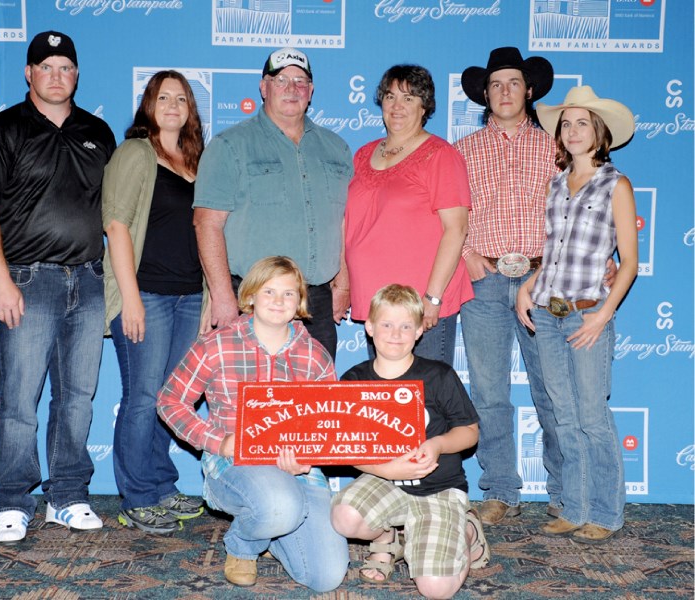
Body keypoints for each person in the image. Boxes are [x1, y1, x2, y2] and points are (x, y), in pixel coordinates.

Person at [0, 31, 116, 543]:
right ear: (28, 73)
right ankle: (12, 498)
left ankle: (67, 495)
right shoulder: (0, 131)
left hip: (89, 282)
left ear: (76, 75)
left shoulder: (98, 132)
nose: (56, 75)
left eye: (65, 67)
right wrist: (0, 280)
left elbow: (114, 217)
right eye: (45, 66)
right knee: (20, 398)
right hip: (27, 280)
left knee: (77, 397)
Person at [156, 256, 349, 591]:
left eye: (289, 294)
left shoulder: (315, 355)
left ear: (300, 301)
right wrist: (219, 441)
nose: (278, 301)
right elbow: (170, 401)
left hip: (298, 472)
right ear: (250, 296)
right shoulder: (216, 345)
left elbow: (326, 424)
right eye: (269, 291)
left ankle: (269, 528)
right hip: (235, 465)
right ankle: (244, 545)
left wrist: (309, 456)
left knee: (326, 577)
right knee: (280, 505)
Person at [517, 85, 637, 544]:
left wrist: (603, 316)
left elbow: (628, 262)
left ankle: (605, 514)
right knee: (563, 415)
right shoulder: (554, 183)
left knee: (591, 415)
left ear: (599, 131)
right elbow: (554, 253)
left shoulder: (616, 184)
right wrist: (526, 287)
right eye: (566, 123)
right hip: (547, 312)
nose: (572, 130)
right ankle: (574, 505)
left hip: (587, 314)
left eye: (582, 122)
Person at [453, 47, 563, 525]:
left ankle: (565, 489)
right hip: (486, 279)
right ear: (484, 93)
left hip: (543, 278)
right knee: (489, 390)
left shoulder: (556, 147)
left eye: (513, 83)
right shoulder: (462, 150)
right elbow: (449, 213)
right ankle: (499, 488)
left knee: (553, 387)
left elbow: (570, 213)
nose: (504, 91)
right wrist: (467, 255)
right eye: (496, 84)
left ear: (530, 90)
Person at [193, 47, 353, 359]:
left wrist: (343, 283)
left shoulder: (336, 148)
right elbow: (206, 223)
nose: (292, 89)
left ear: (311, 91)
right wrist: (222, 295)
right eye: (281, 80)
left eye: (300, 81)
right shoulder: (229, 146)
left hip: (316, 302)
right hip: (252, 299)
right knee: (253, 400)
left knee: (316, 404)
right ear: (263, 87)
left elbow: (340, 220)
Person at [331, 284, 488, 599]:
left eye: (405, 326)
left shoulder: (438, 375)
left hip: (439, 488)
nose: (395, 333)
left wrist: (438, 445)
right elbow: (344, 447)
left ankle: (467, 531)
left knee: (436, 589)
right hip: (384, 481)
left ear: (419, 330)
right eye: (386, 324)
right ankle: (389, 538)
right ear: (370, 326)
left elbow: (470, 432)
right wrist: (388, 470)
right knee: (344, 517)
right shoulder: (354, 380)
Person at [102, 71, 206, 534]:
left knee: (172, 399)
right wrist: (131, 300)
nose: (172, 105)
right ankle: (138, 495)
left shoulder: (198, 162)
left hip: (189, 297)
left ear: (190, 109)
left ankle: (163, 485)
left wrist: (206, 299)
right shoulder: (135, 153)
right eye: (163, 97)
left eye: (180, 98)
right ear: (149, 104)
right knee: (142, 398)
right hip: (145, 294)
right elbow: (117, 226)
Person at [344, 65, 473, 365]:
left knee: (426, 400)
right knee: (386, 401)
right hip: (376, 302)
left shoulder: (440, 155)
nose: (397, 106)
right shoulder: (363, 154)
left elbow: (456, 230)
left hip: (419, 303)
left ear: (425, 106)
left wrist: (433, 298)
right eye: (390, 97)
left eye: (409, 98)